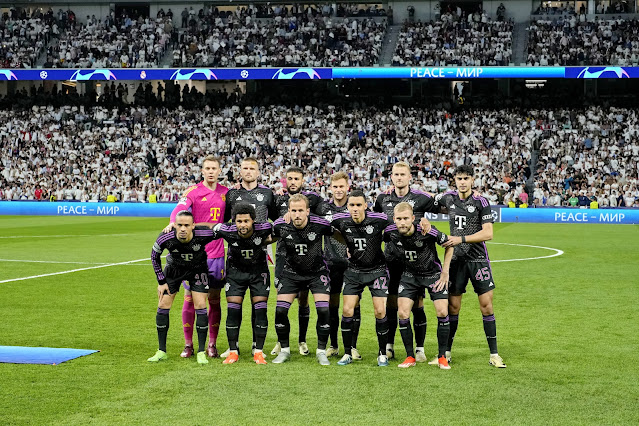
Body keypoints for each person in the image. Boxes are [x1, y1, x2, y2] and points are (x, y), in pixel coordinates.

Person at [435, 165, 506, 368]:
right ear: (454, 180)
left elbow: (488, 233)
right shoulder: (448, 198)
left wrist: (461, 239)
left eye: (466, 178)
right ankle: (446, 353)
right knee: (453, 307)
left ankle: (494, 354)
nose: (463, 182)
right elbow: (424, 200)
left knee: (486, 306)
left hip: (477, 260)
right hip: (456, 261)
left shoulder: (481, 202)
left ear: (473, 180)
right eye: (459, 178)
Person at [164, 155, 228, 359]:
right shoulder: (193, 192)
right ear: (202, 171)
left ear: (220, 171)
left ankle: (212, 344)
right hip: (193, 256)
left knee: (215, 300)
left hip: (217, 254)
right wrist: (173, 222)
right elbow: (179, 209)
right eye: (207, 168)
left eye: (214, 168)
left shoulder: (227, 193)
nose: (210, 171)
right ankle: (188, 344)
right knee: (190, 299)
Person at [374, 161, 437, 361]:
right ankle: (390, 346)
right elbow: (377, 223)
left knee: (418, 304)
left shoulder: (421, 198)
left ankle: (419, 349)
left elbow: (448, 204)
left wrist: (474, 195)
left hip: (417, 261)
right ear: (391, 177)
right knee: (392, 303)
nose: (399, 177)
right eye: (396, 174)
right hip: (392, 259)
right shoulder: (382, 199)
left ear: (410, 177)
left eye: (403, 174)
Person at [384, 202, 453, 369]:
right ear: (394, 219)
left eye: (406, 218)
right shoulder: (390, 232)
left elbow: (449, 244)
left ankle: (442, 356)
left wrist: (445, 272)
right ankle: (409, 357)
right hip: (409, 276)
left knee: (443, 311)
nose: (402, 222)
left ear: (413, 218)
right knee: (402, 313)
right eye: (399, 219)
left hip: (433, 274)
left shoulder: (427, 231)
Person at [222, 157, 278, 359]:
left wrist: (266, 241)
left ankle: (257, 345)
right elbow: (223, 223)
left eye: (252, 168)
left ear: (258, 172)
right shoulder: (232, 194)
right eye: (244, 168)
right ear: (240, 171)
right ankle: (232, 346)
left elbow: (278, 219)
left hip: (259, 251)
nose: (248, 171)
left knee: (258, 304)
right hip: (235, 253)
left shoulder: (267, 194)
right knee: (234, 305)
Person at [203, 203, 273, 364]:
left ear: (253, 221)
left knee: (260, 311)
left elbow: (282, 230)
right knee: (233, 311)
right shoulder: (226, 230)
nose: (242, 225)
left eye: (246, 221)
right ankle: (233, 352)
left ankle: (259, 352)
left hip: (258, 273)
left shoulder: (264, 228)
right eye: (239, 221)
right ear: (234, 221)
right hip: (235, 274)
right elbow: (207, 229)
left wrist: (269, 239)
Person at [271, 194, 334, 365]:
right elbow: (269, 238)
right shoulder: (281, 225)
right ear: (289, 211)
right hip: (291, 273)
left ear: (308, 211)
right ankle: (284, 351)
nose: (297, 214)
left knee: (323, 310)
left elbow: (338, 233)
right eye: (293, 211)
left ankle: (321, 351)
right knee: (280, 311)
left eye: (300, 210)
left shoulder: (320, 224)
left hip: (316, 273)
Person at [331, 190, 392, 366]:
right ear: (347, 206)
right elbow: (323, 226)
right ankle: (348, 353)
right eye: (352, 205)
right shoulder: (340, 220)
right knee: (347, 311)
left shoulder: (379, 219)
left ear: (366, 205)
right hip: (354, 271)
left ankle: (382, 353)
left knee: (380, 311)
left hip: (377, 270)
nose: (355, 209)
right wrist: (345, 242)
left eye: (359, 205)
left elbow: (398, 225)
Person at [149, 211, 217, 365]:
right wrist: (161, 281)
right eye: (179, 225)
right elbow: (154, 255)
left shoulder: (204, 234)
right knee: (163, 305)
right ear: (174, 225)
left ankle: (200, 352)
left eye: (187, 225)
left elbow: (223, 230)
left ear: (193, 226)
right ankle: (161, 351)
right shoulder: (166, 236)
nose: (183, 229)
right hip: (174, 270)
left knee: (200, 305)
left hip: (197, 270)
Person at [271, 166, 324, 357]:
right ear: (285, 181)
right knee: (282, 300)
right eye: (290, 179)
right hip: (283, 256)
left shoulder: (313, 199)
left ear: (303, 181)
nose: (293, 182)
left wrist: (297, 215)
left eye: (296, 179)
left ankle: (302, 340)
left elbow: (322, 217)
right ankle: (280, 341)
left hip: (306, 257)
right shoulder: (277, 199)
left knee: (303, 299)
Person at [315, 171, 362, 359]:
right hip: (330, 263)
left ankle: (352, 347)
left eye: (342, 186)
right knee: (332, 305)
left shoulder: (355, 206)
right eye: (335, 187)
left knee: (354, 305)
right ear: (330, 188)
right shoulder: (323, 208)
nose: (339, 190)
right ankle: (333, 345)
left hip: (353, 264)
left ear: (347, 187)